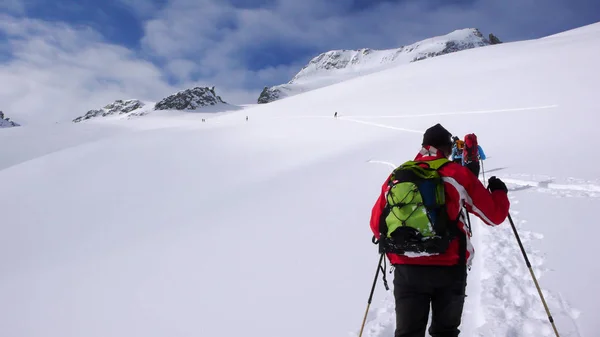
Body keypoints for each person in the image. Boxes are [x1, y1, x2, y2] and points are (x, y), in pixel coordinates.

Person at [369, 123, 509, 337]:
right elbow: (494, 216)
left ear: (424, 146)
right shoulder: (456, 173)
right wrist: (499, 192)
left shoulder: (398, 175)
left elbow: (376, 225)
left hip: (407, 268)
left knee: (407, 333)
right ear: (447, 149)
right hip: (449, 266)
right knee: (445, 331)